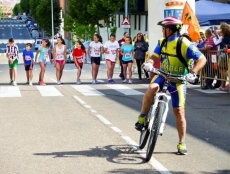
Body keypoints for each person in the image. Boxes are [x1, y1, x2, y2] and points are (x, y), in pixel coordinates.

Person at [135, 16, 207, 155]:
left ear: (170, 30)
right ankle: (143, 116)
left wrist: (193, 72)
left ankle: (181, 143)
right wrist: (149, 63)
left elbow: (202, 59)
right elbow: (154, 56)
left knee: (179, 112)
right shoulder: (162, 42)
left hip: (178, 80)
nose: (162, 31)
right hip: (162, 74)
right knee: (151, 88)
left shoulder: (184, 43)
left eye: (164, 28)